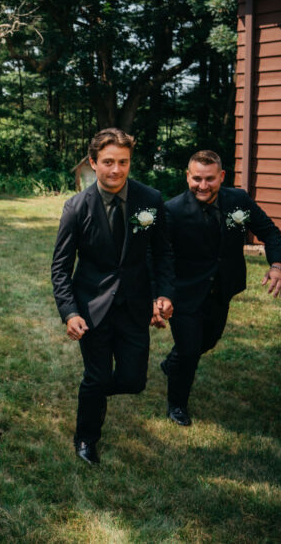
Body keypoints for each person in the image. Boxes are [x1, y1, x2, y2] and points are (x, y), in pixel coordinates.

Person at [50, 128, 174, 465]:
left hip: (136, 305)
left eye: (123, 162)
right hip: (92, 308)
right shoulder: (76, 207)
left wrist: (163, 293)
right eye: (107, 162)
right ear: (93, 162)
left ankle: (92, 393)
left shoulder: (150, 200)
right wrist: (69, 312)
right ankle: (86, 437)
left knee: (133, 381)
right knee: (97, 375)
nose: (116, 169)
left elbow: (163, 254)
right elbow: (60, 267)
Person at [161, 150, 281, 426]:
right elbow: (161, 257)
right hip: (185, 291)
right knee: (190, 350)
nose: (202, 186)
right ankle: (177, 405)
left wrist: (277, 264)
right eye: (196, 179)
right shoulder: (172, 211)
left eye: (209, 179)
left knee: (208, 341)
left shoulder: (238, 200)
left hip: (222, 288)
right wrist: (161, 294)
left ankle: (173, 361)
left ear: (221, 176)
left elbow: (269, 231)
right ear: (187, 176)